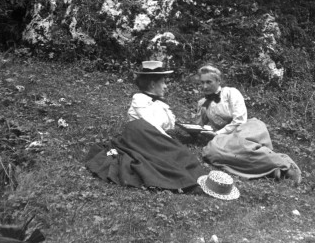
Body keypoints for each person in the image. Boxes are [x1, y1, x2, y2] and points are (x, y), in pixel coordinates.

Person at [85, 61, 206, 192]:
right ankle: (183, 181)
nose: (166, 86)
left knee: (182, 155)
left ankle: (192, 177)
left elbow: (165, 127)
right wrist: (170, 141)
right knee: (175, 155)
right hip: (142, 138)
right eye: (163, 82)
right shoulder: (140, 100)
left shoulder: (159, 103)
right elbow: (151, 126)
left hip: (154, 137)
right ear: (153, 84)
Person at [195, 65, 301, 184]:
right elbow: (198, 126)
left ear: (218, 81)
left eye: (209, 82)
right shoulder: (203, 103)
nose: (205, 86)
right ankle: (271, 170)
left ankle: (285, 164)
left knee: (242, 146)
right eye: (202, 83)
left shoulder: (231, 93)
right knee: (212, 152)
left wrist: (216, 134)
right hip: (225, 138)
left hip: (246, 129)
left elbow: (239, 120)